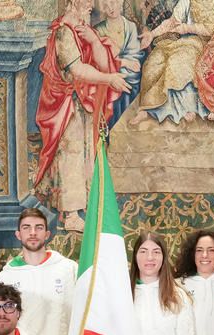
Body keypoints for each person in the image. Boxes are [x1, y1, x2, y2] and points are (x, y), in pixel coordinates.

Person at [35, 0, 131, 232]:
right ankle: (70, 214)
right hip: (65, 102)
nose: (91, 6)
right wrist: (109, 79)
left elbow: (102, 62)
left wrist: (94, 41)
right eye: (87, 2)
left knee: (86, 151)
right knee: (72, 154)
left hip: (81, 101)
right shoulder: (64, 33)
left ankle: (85, 203)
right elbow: (77, 70)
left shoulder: (82, 29)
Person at [134, 0, 214, 123]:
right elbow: (172, 22)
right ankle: (148, 108)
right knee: (153, 61)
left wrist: (186, 28)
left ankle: (185, 108)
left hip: (203, 42)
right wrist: (152, 34)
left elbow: (212, 29)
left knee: (177, 62)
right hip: (179, 39)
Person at [95, 0, 144, 124]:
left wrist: (130, 63)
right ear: (102, 9)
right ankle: (112, 124)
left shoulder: (131, 26)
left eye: (112, 2)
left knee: (133, 77)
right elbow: (101, 58)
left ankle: (128, 121)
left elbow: (134, 53)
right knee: (116, 81)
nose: (111, 8)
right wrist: (124, 63)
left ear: (120, 2)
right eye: (106, 6)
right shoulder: (98, 30)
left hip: (130, 72)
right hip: (109, 70)